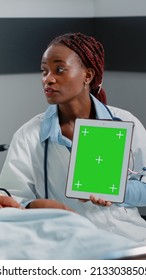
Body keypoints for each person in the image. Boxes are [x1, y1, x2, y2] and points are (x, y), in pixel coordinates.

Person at [0, 32, 146, 243]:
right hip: (66, 242)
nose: (47, 79)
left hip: (130, 238)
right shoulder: (29, 135)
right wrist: (29, 206)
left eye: (59, 69)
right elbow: (12, 195)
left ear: (87, 76)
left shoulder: (123, 122)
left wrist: (117, 191)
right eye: (44, 71)